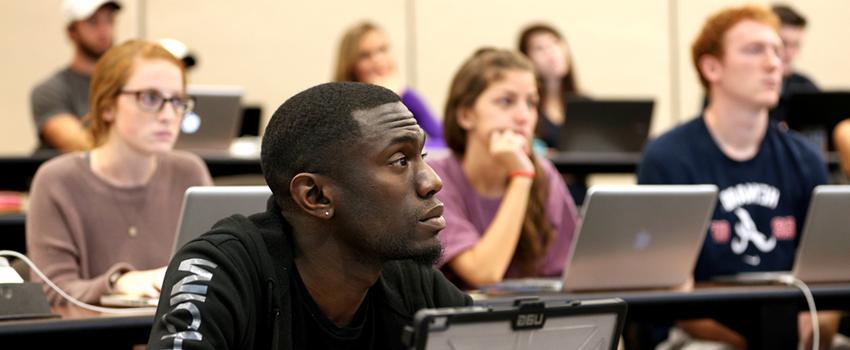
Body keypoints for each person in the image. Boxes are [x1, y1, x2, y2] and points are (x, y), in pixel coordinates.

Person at [147, 82, 471, 349]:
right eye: (400, 160)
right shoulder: (220, 268)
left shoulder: (408, 278)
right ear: (314, 196)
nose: (432, 181)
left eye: (422, 155)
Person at [637, 5, 837, 349]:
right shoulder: (667, 159)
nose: (775, 63)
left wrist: (814, 329)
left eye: (777, 50)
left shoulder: (804, 157)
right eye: (754, 50)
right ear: (712, 67)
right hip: (701, 336)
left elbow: (831, 272)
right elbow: (667, 294)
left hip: (794, 334)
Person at [27, 40, 213, 305]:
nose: (168, 115)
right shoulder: (57, 180)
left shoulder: (189, 172)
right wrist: (118, 282)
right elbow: (53, 292)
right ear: (107, 106)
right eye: (150, 98)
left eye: (177, 101)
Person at [429, 48, 578, 290]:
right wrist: (520, 178)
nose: (523, 117)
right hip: (469, 322)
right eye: (506, 101)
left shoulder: (544, 173)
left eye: (531, 103)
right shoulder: (435, 178)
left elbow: (572, 273)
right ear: (466, 115)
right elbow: (483, 274)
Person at [334, 21, 446, 149]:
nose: (378, 60)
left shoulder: (405, 94)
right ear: (351, 66)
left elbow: (446, 140)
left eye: (383, 50)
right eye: (365, 56)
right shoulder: (341, 107)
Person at [30, 0, 121, 152]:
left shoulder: (125, 84)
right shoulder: (50, 90)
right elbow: (81, 146)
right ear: (71, 32)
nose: (104, 30)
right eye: (93, 22)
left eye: (109, 20)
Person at [517, 23, 585, 149]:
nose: (552, 52)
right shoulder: (522, 108)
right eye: (540, 48)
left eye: (555, 43)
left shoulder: (585, 105)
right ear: (526, 58)